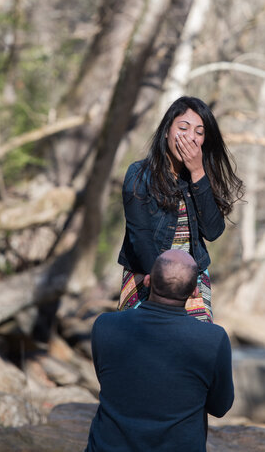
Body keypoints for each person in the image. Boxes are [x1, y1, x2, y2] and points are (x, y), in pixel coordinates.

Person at [85, 249, 234, 452]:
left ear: (147, 281)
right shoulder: (213, 339)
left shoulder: (105, 325)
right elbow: (220, 407)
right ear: (195, 292)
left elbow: (110, 381)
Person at [117, 96, 244, 322]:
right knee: (140, 345)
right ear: (167, 131)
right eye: (183, 128)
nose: (190, 137)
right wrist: (159, 278)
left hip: (191, 277)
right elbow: (140, 234)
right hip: (146, 272)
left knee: (197, 345)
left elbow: (213, 232)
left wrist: (197, 173)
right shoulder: (138, 174)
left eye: (199, 132)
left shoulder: (203, 177)